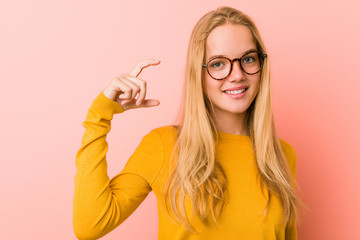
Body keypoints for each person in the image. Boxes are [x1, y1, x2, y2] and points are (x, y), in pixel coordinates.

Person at [73, 6, 303, 240]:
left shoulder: (282, 155)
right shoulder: (163, 146)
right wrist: (99, 115)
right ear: (198, 73)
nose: (237, 74)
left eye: (248, 59)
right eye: (218, 64)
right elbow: (90, 225)